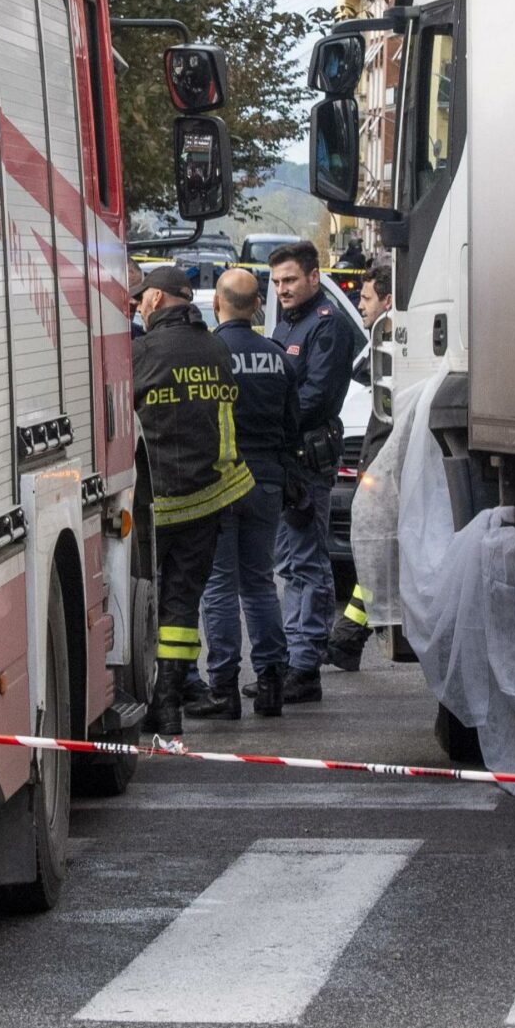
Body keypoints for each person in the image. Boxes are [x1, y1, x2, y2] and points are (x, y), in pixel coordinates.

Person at [131, 263, 255, 736]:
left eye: (143, 298)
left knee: (144, 600)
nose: (140, 305)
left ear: (158, 301)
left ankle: (145, 695)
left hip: (155, 504)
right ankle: (169, 707)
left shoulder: (140, 352)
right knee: (182, 607)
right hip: (209, 499)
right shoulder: (216, 348)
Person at [188, 269, 299, 720]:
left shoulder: (209, 356)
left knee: (218, 585)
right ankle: (272, 682)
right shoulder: (278, 358)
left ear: (217, 305)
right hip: (267, 481)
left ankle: (224, 689)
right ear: (257, 307)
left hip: (219, 483)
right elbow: (294, 426)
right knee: (259, 583)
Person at [267, 241, 356, 704]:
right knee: (289, 563)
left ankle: (305, 665)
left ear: (313, 278)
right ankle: (294, 658)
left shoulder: (328, 326)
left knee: (307, 561)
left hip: (307, 458)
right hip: (286, 458)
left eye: (290, 280)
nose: (282, 289)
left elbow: (315, 396)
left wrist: (269, 423)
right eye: (277, 282)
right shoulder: (288, 324)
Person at [331, 262, 395, 669]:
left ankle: (348, 639)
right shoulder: (379, 343)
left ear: (388, 302)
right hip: (376, 467)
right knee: (378, 556)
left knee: (381, 554)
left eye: (366, 297)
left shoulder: (394, 347)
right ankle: (347, 639)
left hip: (384, 471)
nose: (360, 304)